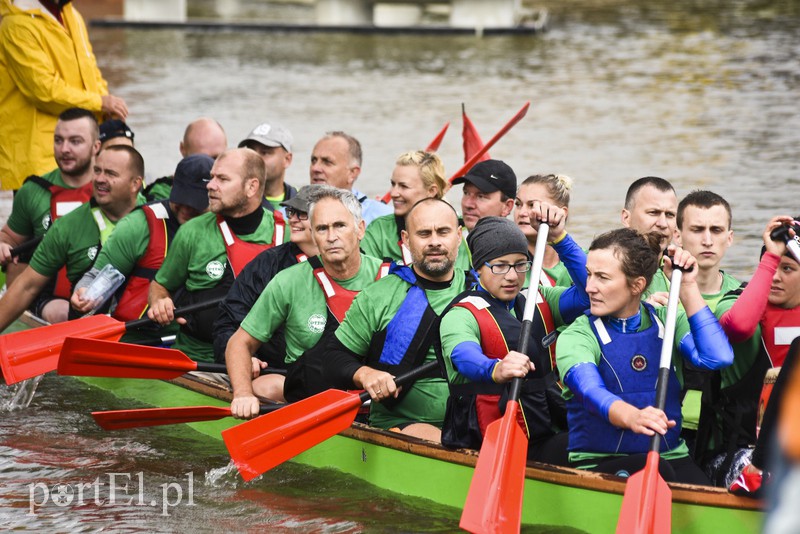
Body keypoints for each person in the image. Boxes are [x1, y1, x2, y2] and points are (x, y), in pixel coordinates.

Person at [555, 228, 733, 484]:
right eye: (589, 275)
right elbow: (589, 390)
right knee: (660, 471)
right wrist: (632, 416)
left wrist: (687, 287)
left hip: (671, 456)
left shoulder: (668, 319)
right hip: (599, 463)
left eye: (602, 278)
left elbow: (718, 357)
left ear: (637, 285)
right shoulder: (578, 335)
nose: (589, 287)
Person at [439, 210, 589, 462]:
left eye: (520, 264)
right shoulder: (461, 315)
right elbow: (462, 354)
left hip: (546, 425)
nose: (511, 276)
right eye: (499, 266)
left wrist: (559, 238)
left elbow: (589, 292)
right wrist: (495, 369)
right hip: (492, 439)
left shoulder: (540, 299)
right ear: (478, 269)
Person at [322, 198, 473, 443]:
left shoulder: (479, 291)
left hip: (472, 420)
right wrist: (366, 374)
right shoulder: (379, 295)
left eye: (442, 232)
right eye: (424, 233)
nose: (434, 242)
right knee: (445, 442)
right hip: (402, 424)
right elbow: (332, 358)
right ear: (406, 239)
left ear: (458, 235)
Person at [227, 186, 385, 405]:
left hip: (375, 406)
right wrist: (243, 394)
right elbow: (239, 344)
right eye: (322, 229)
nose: (331, 237)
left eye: (340, 226)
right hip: (308, 404)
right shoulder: (288, 281)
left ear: (360, 229)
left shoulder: (389, 279)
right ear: (313, 235)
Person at [147, 148, 284, 363]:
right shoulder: (192, 232)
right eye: (212, 177)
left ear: (251, 186)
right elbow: (160, 285)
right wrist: (160, 301)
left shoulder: (287, 235)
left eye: (222, 179)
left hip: (266, 363)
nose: (210, 185)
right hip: (198, 360)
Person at [69, 154, 213, 344]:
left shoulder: (225, 228)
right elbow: (94, 277)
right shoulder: (137, 226)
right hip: (139, 339)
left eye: (194, 203)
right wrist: (83, 292)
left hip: (199, 344)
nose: (186, 208)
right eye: (181, 199)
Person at [0, 145, 144, 331]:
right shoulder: (66, 227)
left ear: (135, 184)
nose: (100, 179)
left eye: (110, 173)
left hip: (146, 330)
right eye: (97, 171)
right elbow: (27, 287)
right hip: (89, 332)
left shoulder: (158, 220)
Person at [711, 216, 800, 495]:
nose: (775, 277)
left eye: (788, 269)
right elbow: (738, 326)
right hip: (741, 455)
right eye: (773, 266)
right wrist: (771, 257)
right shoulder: (741, 303)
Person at [0, 0, 127, 192]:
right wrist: (100, 103)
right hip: (38, 158)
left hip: (79, 154)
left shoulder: (72, 15)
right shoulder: (16, 26)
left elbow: (90, 71)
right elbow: (44, 92)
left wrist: (109, 110)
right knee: (43, 220)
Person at [212, 185, 321, 366]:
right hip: (276, 372)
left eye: (302, 213)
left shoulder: (356, 262)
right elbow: (229, 320)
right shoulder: (269, 263)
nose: (292, 219)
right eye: (291, 211)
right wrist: (241, 359)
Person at [674, 190, 743, 457]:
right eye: (697, 229)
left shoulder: (744, 297)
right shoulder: (652, 291)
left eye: (716, 230)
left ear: (730, 238)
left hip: (725, 432)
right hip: (670, 429)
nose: (707, 240)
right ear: (678, 235)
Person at [0, 108, 100, 290]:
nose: (64, 149)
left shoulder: (113, 189)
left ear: (96, 147)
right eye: (58, 140)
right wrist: (3, 244)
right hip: (47, 299)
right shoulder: (32, 191)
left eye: (75, 142)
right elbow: (9, 237)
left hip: (103, 294)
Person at [360, 150, 470, 269]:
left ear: (431, 191)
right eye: (393, 184)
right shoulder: (379, 230)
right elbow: (364, 277)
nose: (393, 193)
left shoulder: (457, 230)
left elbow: (461, 280)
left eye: (404, 186)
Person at [309, 131, 392, 225]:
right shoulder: (293, 214)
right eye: (314, 160)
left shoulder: (383, 218)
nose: (315, 168)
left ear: (352, 173)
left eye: (327, 162)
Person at [621, 176, 679, 303]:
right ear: (626, 218)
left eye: (670, 215)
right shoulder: (602, 269)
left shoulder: (683, 271)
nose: (663, 224)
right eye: (653, 212)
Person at [143, 117, 228, 202]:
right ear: (183, 149)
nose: (211, 166)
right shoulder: (161, 194)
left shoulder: (234, 190)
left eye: (217, 158)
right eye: (201, 159)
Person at [514, 173, 576, 288]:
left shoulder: (584, 259)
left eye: (532, 205)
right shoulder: (506, 264)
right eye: (518, 204)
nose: (522, 213)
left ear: (563, 212)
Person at [238, 122, 297, 212]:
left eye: (265, 152)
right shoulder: (235, 200)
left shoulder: (304, 201)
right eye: (250, 151)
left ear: (287, 159)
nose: (255, 158)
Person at [451, 159, 516, 233]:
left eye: (480, 196)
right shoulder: (447, 235)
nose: (468, 204)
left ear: (507, 207)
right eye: (466, 193)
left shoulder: (516, 243)